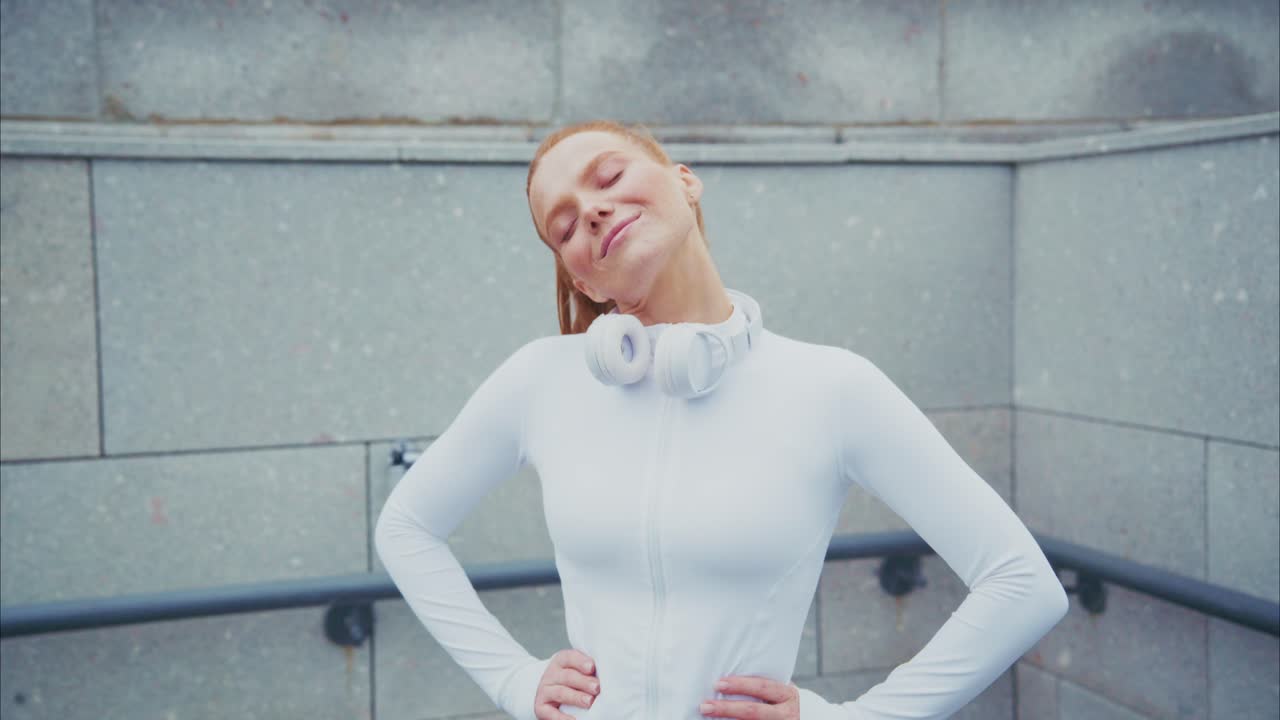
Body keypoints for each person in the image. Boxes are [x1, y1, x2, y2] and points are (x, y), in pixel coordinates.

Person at [374, 120, 1070, 720]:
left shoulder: (832, 388)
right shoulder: (540, 381)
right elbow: (406, 528)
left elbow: (1022, 585)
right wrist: (514, 679)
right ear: (582, 280)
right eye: (563, 223)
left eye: (609, 175)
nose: (589, 208)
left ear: (684, 181)